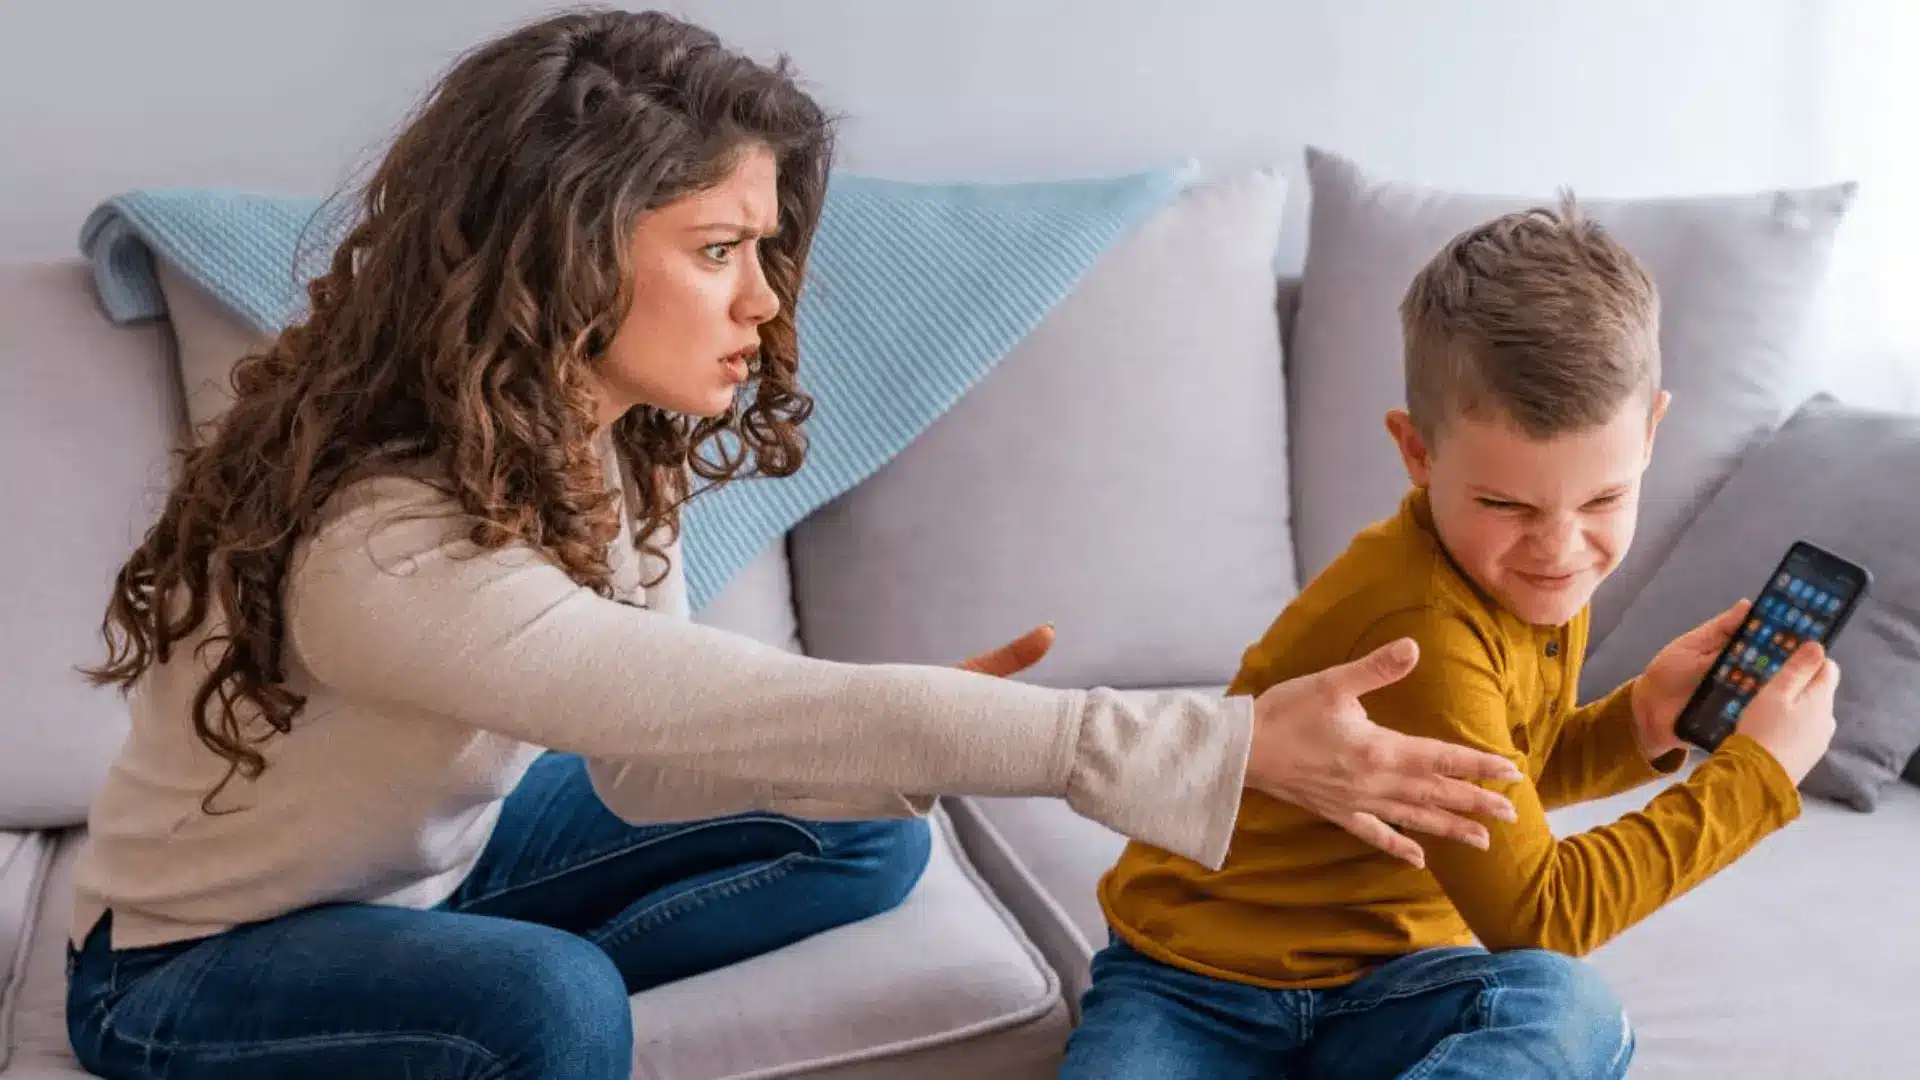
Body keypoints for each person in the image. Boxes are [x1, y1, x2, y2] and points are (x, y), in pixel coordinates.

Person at [60, 10, 1524, 1080]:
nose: (762, 301)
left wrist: (932, 731)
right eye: (717, 251)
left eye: (763, 250)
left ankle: (430, 994)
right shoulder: (383, 545)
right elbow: (693, 711)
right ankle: (452, 1008)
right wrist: (1193, 740)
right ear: (563, 248)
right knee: (550, 1005)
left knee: (869, 821)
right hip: (189, 967)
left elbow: (638, 764)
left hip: (432, 871)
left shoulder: (602, 442)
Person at [1068, 198, 1842, 1079]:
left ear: (1651, 431)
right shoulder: (1423, 626)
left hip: (1393, 985)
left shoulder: (1521, 572)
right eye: (1507, 504)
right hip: (1195, 989)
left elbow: (1474, 792)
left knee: (1567, 1010)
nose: (1559, 550)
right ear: (1417, 452)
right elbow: (1538, 913)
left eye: (1601, 501)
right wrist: (1758, 779)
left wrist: (1640, 727)